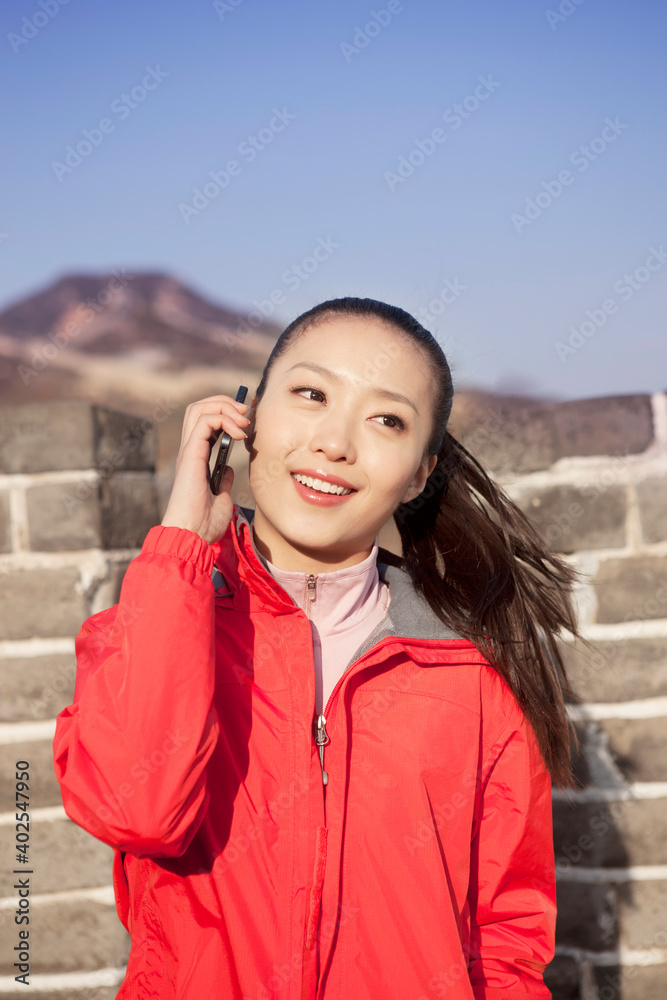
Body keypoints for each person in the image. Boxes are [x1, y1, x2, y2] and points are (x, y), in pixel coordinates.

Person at [53, 296, 584, 1000]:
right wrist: (182, 540)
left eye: (385, 420)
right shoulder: (159, 621)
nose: (335, 442)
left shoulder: (472, 672)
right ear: (248, 420)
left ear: (419, 473)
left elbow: (506, 940)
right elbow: (137, 810)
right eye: (309, 395)